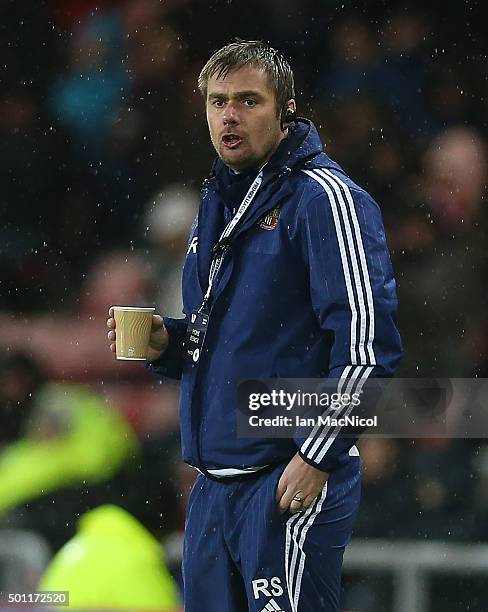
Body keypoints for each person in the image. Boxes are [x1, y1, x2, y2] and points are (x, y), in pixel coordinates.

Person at [107, 40, 402, 612]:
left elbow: (367, 346)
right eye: (218, 102)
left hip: (284, 475)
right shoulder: (218, 199)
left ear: (286, 109)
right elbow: (221, 336)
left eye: (248, 100)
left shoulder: (324, 198)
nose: (230, 116)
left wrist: (318, 454)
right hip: (214, 487)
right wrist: (169, 342)